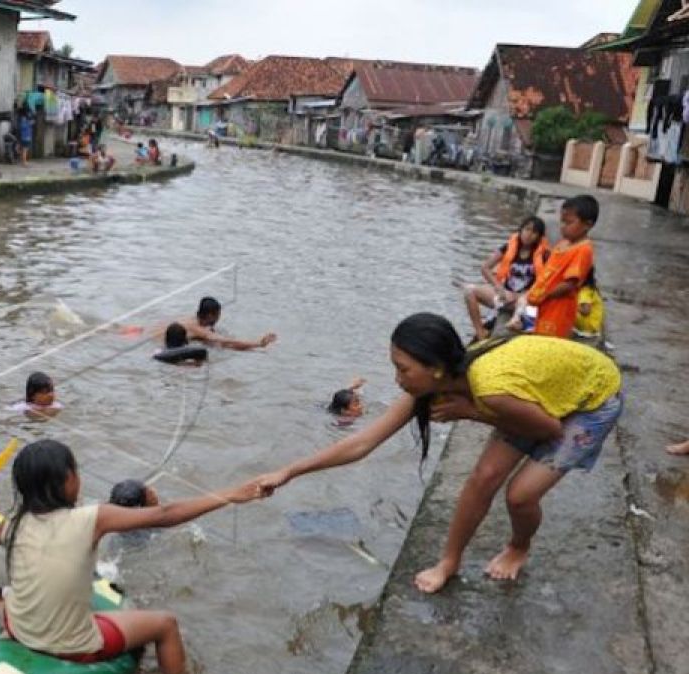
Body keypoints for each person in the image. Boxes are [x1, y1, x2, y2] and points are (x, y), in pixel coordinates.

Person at [256, 313, 623, 594]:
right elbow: (363, 442)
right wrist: (289, 471)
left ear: (435, 369)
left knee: (520, 496)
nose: (397, 379)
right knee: (483, 478)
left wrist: (471, 412)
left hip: (593, 398)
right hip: (539, 392)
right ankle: (449, 562)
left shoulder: (490, 391)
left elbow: (549, 430)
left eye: (403, 369)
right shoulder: (437, 382)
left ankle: (518, 547)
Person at [0, 439, 263, 674]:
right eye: (75, 472)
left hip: (20, 630)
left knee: (14, 593)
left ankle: (5, 613)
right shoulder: (92, 519)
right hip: (72, 646)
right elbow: (166, 514)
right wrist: (229, 496)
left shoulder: (16, 519)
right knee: (166, 623)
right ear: (64, 481)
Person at [460, 216, 549, 341]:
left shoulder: (544, 255)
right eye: (527, 229)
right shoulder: (509, 247)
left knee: (523, 300)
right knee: (469, 290)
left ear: (539, 237)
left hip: (526, 300)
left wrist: (525, 295)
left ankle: (515, 321)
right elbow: (485, 268)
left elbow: (547, 281)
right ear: (521, 230)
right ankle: (481, 332)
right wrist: (499, 287)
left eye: (534, 232)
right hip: (505, 296)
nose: (529, 235)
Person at [525, 195, 598, 339]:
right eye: (562, 221)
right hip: (539, 301)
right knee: (532, 336)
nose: (563, 226)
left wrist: (545, 295)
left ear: (587, 225)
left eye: (569, 222)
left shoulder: (583, 250)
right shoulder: (562, 243)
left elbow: (569, 283)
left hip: (558, 308)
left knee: (548, 342)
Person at [175, 296, 277, 351]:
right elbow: (228, 342)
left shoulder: (189, 320)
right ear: (210, 316)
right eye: (218, 314)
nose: (219, 317)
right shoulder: (200, 330)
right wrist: (259, 344)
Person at [573, 269, 606, 344]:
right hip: (592, 329)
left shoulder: (585, 292)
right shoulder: (591, 289)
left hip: (586, 331)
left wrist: (571, 306)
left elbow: (585, 310)